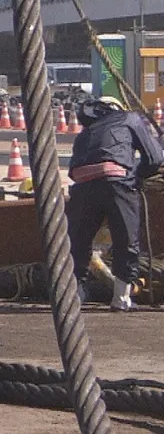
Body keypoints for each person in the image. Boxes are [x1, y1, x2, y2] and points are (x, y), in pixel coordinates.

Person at [67, 96, 164, 311]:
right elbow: (155, 158)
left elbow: (75, 171)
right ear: (117, 109)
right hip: (116, 184)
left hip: (82, 186)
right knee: (126, 240)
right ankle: (121, 300)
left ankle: (74, 296)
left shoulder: (86, 133)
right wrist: (135, 176)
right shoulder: (129, 118)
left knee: (78, 243)